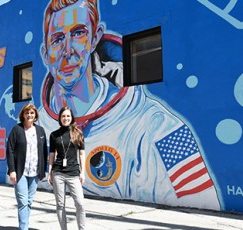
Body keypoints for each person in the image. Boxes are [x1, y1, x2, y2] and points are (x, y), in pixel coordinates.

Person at [38, 0, 222, 210]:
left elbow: (200, 199)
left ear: (94, 38)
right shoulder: (39, 129)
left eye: (78, 33)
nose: (68, 50)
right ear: (45, 54)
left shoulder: (160, 129)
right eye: (57, 39)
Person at [6, 103, 48, 230]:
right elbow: (10, 150)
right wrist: (12, 170)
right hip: (20, 172)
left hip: (35, 172)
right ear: (23, 115)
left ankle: (25, 226)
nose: (29, 115)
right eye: (27, 113)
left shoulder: (40, 130)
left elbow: (43, 152)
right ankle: (24, 228)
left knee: (29, 202)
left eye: (32, 113)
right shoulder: (17, 129)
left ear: (35, 115)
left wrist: (43, 171)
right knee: (23, 202)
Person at [48, 106, 86, 230]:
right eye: (63, 116)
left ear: (71, 118)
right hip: (58, 172)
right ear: (60, 118)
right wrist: (49, 173)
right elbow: (52, 154)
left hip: (74, 173)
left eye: (68, 116)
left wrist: (82, 173)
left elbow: (81, 153)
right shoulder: (54, 135)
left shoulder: (78, 133)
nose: (66, 118)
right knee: (60, 205)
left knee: (80, 203)